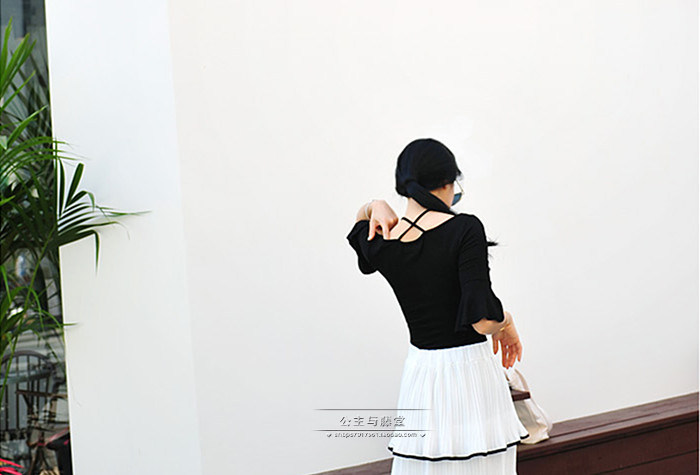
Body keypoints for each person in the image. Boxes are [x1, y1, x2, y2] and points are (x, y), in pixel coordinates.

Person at [346, 138, 529, 474]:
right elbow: (482, 320)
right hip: (470, 376)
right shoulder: (464, 229)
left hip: (420, 377)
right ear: (447, 183)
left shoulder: (385, 242)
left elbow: (359, 229)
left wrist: (374, 206)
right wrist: (507, 321)